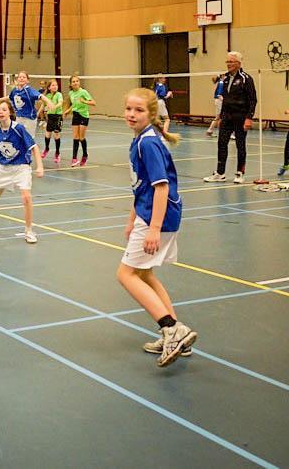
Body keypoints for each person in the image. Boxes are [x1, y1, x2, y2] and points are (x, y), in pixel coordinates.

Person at [118, 87, 196, 368]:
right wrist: (132, 219)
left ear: (151, 114)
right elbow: (141, 187)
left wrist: (153, 228)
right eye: (128, 108)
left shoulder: (148, 143)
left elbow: (161, 188)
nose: (131, 114)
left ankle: (171, 328)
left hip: (158, 217)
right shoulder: (140, 139)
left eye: (138, 110)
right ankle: (175, 332)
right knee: (144, 273)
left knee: (126, 275)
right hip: (148, 213)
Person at [0, 99, 44, 243]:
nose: (1, 112)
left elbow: (34, 147)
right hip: (4, 167)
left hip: (21, 167)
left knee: (26, 197)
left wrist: (40, 166)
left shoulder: (19, 129)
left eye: (4, 110)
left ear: (10, 112)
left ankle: (29, 230)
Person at [204, 51, 257, 184]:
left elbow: (252, 100)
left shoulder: (246, 78)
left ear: (238, 63)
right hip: (227, 116)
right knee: (221, 143)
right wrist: (221, 116)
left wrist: (249, 118)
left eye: (231, 62)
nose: (228, 64)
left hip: (241, 116)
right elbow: (225, 99)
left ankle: (240, 173)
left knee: (240, 145)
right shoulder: (225, 78)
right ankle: (220, 173)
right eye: (227, 62)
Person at [67, 75, 96, 166]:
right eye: (73, 81)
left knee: (81, 137)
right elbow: (74, 104)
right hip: (75, 115)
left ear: (79, 82)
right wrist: (68, 110)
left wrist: (84, 101)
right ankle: (74, 158)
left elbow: (93, 103)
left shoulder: (83, 92)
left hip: (83, 116)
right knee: (75, 137)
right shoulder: (71, 93)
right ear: (71, 84)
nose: (75, 83)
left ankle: (85, 155)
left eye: (77, 81)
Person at [40, 79, 65, 163]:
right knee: (47, 134)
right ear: (49, 87)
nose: (55, 86)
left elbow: (61, 103)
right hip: (50, 116)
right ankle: (46, 148)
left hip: (58, 116)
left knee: (56, 134)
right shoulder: (47, 96)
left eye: (56, 85)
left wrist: (55, 106)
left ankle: (57, 153)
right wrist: (37, 113)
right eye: (53, 85)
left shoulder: (59, 94)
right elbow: (43, 105)